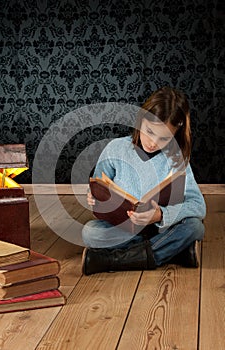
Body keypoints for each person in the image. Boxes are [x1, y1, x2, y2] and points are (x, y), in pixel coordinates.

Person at [81, 86, 206, 275]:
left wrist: (160, 215)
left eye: (164, 137)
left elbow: (198, 206)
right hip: (125, 229)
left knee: (195, 227)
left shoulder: (176, 158)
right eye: (149, 131)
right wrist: (92, 197)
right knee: (90, 233)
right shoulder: (115, 148)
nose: (153, 142)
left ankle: (113, 260)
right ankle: (173, 252)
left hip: (161, 228)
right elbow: (98, 185)